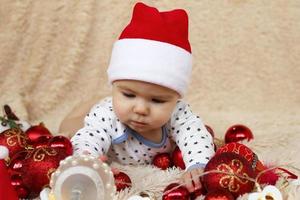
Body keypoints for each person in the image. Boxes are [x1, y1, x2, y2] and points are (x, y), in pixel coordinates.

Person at [70, 2, 215, 192]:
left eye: (157, 100)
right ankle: (81, 110)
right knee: (71, 126)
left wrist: (198, 163)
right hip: (90, 116)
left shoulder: (178, 113)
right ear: (114, 86)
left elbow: (194, 133)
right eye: (129, 95)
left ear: (175, 98)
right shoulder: (108, 114)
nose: (140, 109)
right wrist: (87, 158)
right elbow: (91, 135)